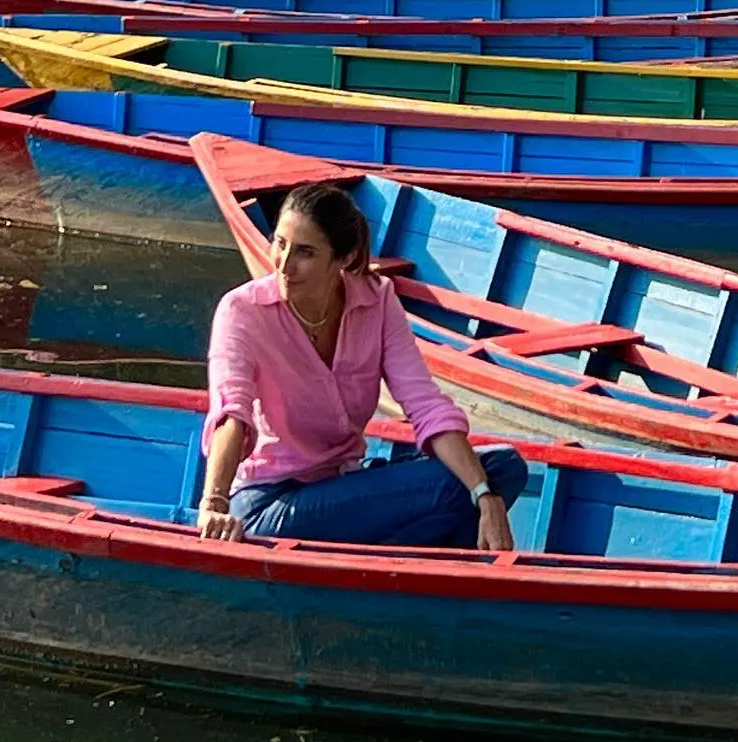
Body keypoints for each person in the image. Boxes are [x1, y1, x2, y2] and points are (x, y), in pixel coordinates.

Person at [197, 179, 526, 548]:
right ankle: (438, 568)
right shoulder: (243, 310)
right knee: (466, 488)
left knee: (499, 469)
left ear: (343, 258)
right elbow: (232, 411)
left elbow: (425, 405)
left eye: (305, 252)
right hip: (270, 508)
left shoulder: (377, 302)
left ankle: (432, 569)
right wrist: (213, 504)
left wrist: (484, 495)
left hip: (343, 485)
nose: (284, 265)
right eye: (280, 244)